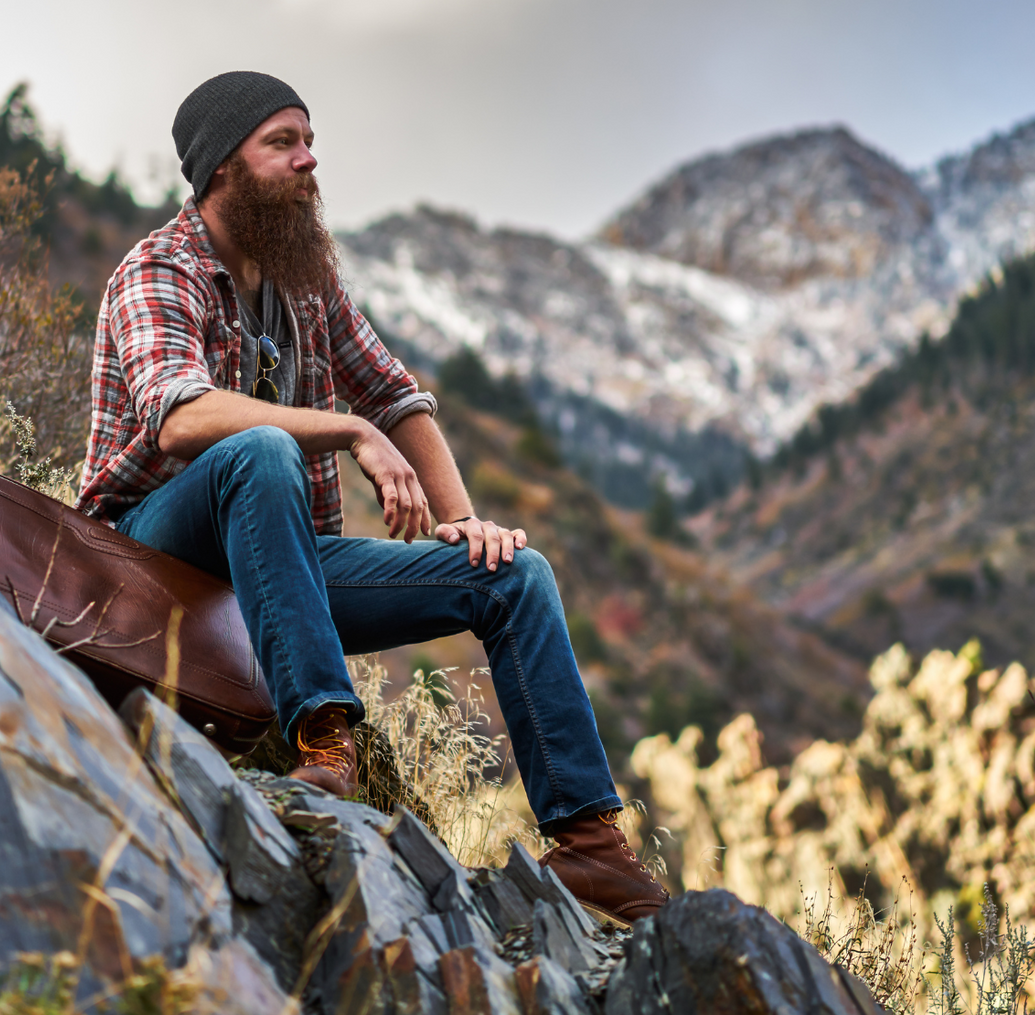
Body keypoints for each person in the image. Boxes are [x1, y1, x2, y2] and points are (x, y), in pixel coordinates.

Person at [76, 71, 667, 924]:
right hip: (154, 556)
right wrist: (345, 433)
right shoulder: (159, 270)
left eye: (309, 141)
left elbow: (398, 397)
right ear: (220, 171)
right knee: (261, 451)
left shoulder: (303, 284)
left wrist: (464, 525)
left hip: (284, 571)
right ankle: (324, 743)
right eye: (281, 143)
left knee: (516, 574)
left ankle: (589, 847)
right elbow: (179, 417)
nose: (309, 160)